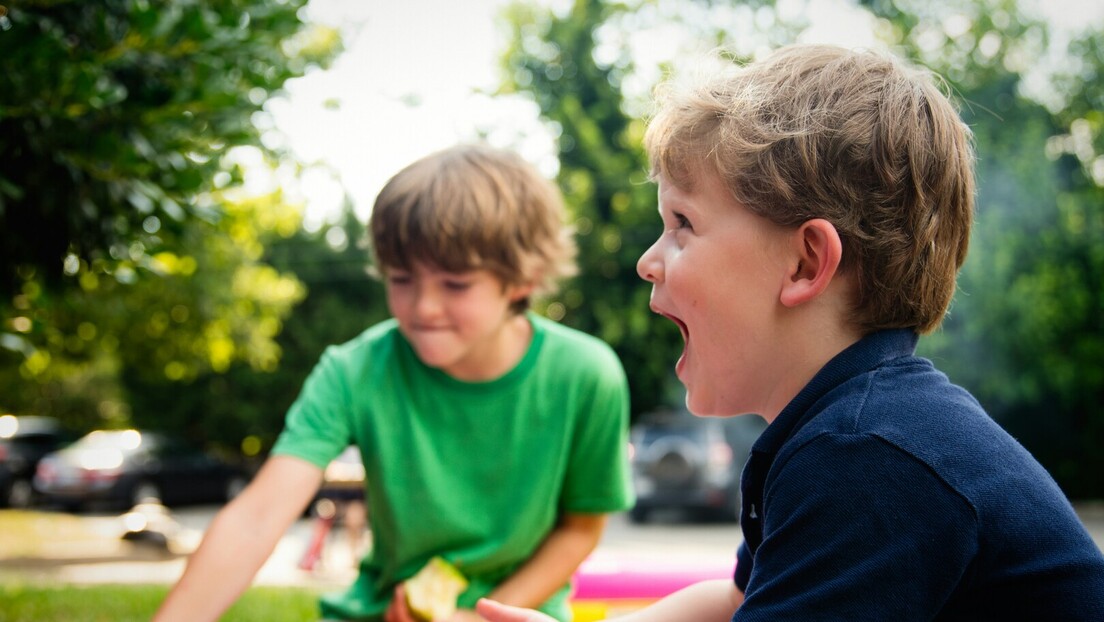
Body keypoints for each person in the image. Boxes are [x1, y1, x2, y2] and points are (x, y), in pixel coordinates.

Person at [476, 44, 1104, 622]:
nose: (647, 259)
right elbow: (735, 601)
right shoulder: (850, 426)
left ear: (805, 263)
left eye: (682, 223)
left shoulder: (866, 456)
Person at [154, 144, 635, 622]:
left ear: (523, 279)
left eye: (455, 284)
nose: (423, 307)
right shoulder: (353, 371)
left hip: (518, 614)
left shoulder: (587, 374)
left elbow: (581, 527)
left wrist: (480, 616)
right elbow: (256, 518)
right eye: (402, 278)